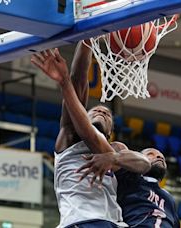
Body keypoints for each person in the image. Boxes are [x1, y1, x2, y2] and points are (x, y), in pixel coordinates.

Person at [31, 42, 151, 228]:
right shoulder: (70, 135)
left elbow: (145, 164)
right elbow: (78, 79)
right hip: (82, 221)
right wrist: (87, 40)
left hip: (113, 223)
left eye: (108, 114)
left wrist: (114, 157)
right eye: (95, 110)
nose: (102, 112)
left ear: (111, 132)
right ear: (82, 113)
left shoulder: (114, 150)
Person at [79, 148, 180, 227]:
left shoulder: (169, 199)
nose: (159, 157)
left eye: (162, 157)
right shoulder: (128, 177)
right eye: (150, 154)